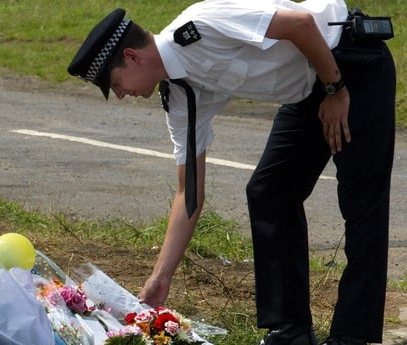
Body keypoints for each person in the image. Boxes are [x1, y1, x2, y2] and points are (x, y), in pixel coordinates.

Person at [67, 1, 395, 344]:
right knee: (269, 192)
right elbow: (188, 193)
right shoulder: (180, 94)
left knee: (362, 204)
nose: (120, 95)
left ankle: (351, 336)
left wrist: (335, 89)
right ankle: (291, 331)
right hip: (309, 89)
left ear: (132, 56)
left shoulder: (203, 24)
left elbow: (299, 24)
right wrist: (159, 279)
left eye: (115, 83)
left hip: (350, 66)